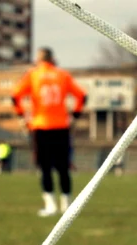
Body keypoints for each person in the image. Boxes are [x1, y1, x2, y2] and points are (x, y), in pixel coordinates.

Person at [11, 47, 87, 217]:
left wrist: (22, 117)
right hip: (61, 126)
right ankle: (67, 205)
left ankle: (50, 205)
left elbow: (15, 95)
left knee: (44, 168)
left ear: (39, 60)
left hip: (41, 126)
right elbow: (82, 96)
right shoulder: (62, 75)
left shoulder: (33, 75)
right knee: (63, 167)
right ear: (52, 58)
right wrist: (75, 116)